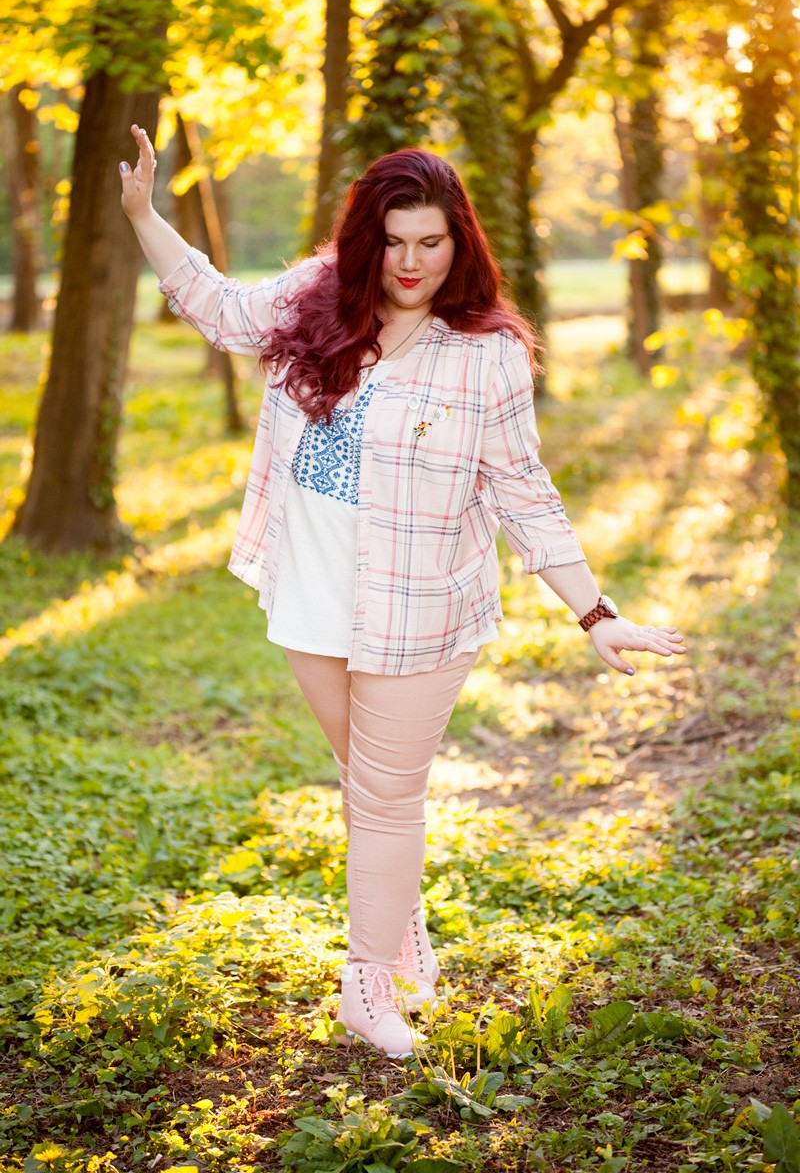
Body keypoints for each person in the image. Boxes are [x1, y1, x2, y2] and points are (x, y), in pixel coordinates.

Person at [119, 123, 686, 1060]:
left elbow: (524, 491)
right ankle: (399, 929)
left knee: (386, 799)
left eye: (431, 241)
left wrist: (595, 612)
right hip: (310, 593)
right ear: (366, 241)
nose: (412, 263)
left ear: (461, 242)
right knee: (366, 786)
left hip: (417, 607)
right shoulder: (315, 295)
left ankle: (366, 985)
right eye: (393, 242)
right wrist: (145, 215)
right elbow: (219, 309)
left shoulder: (486, 352)